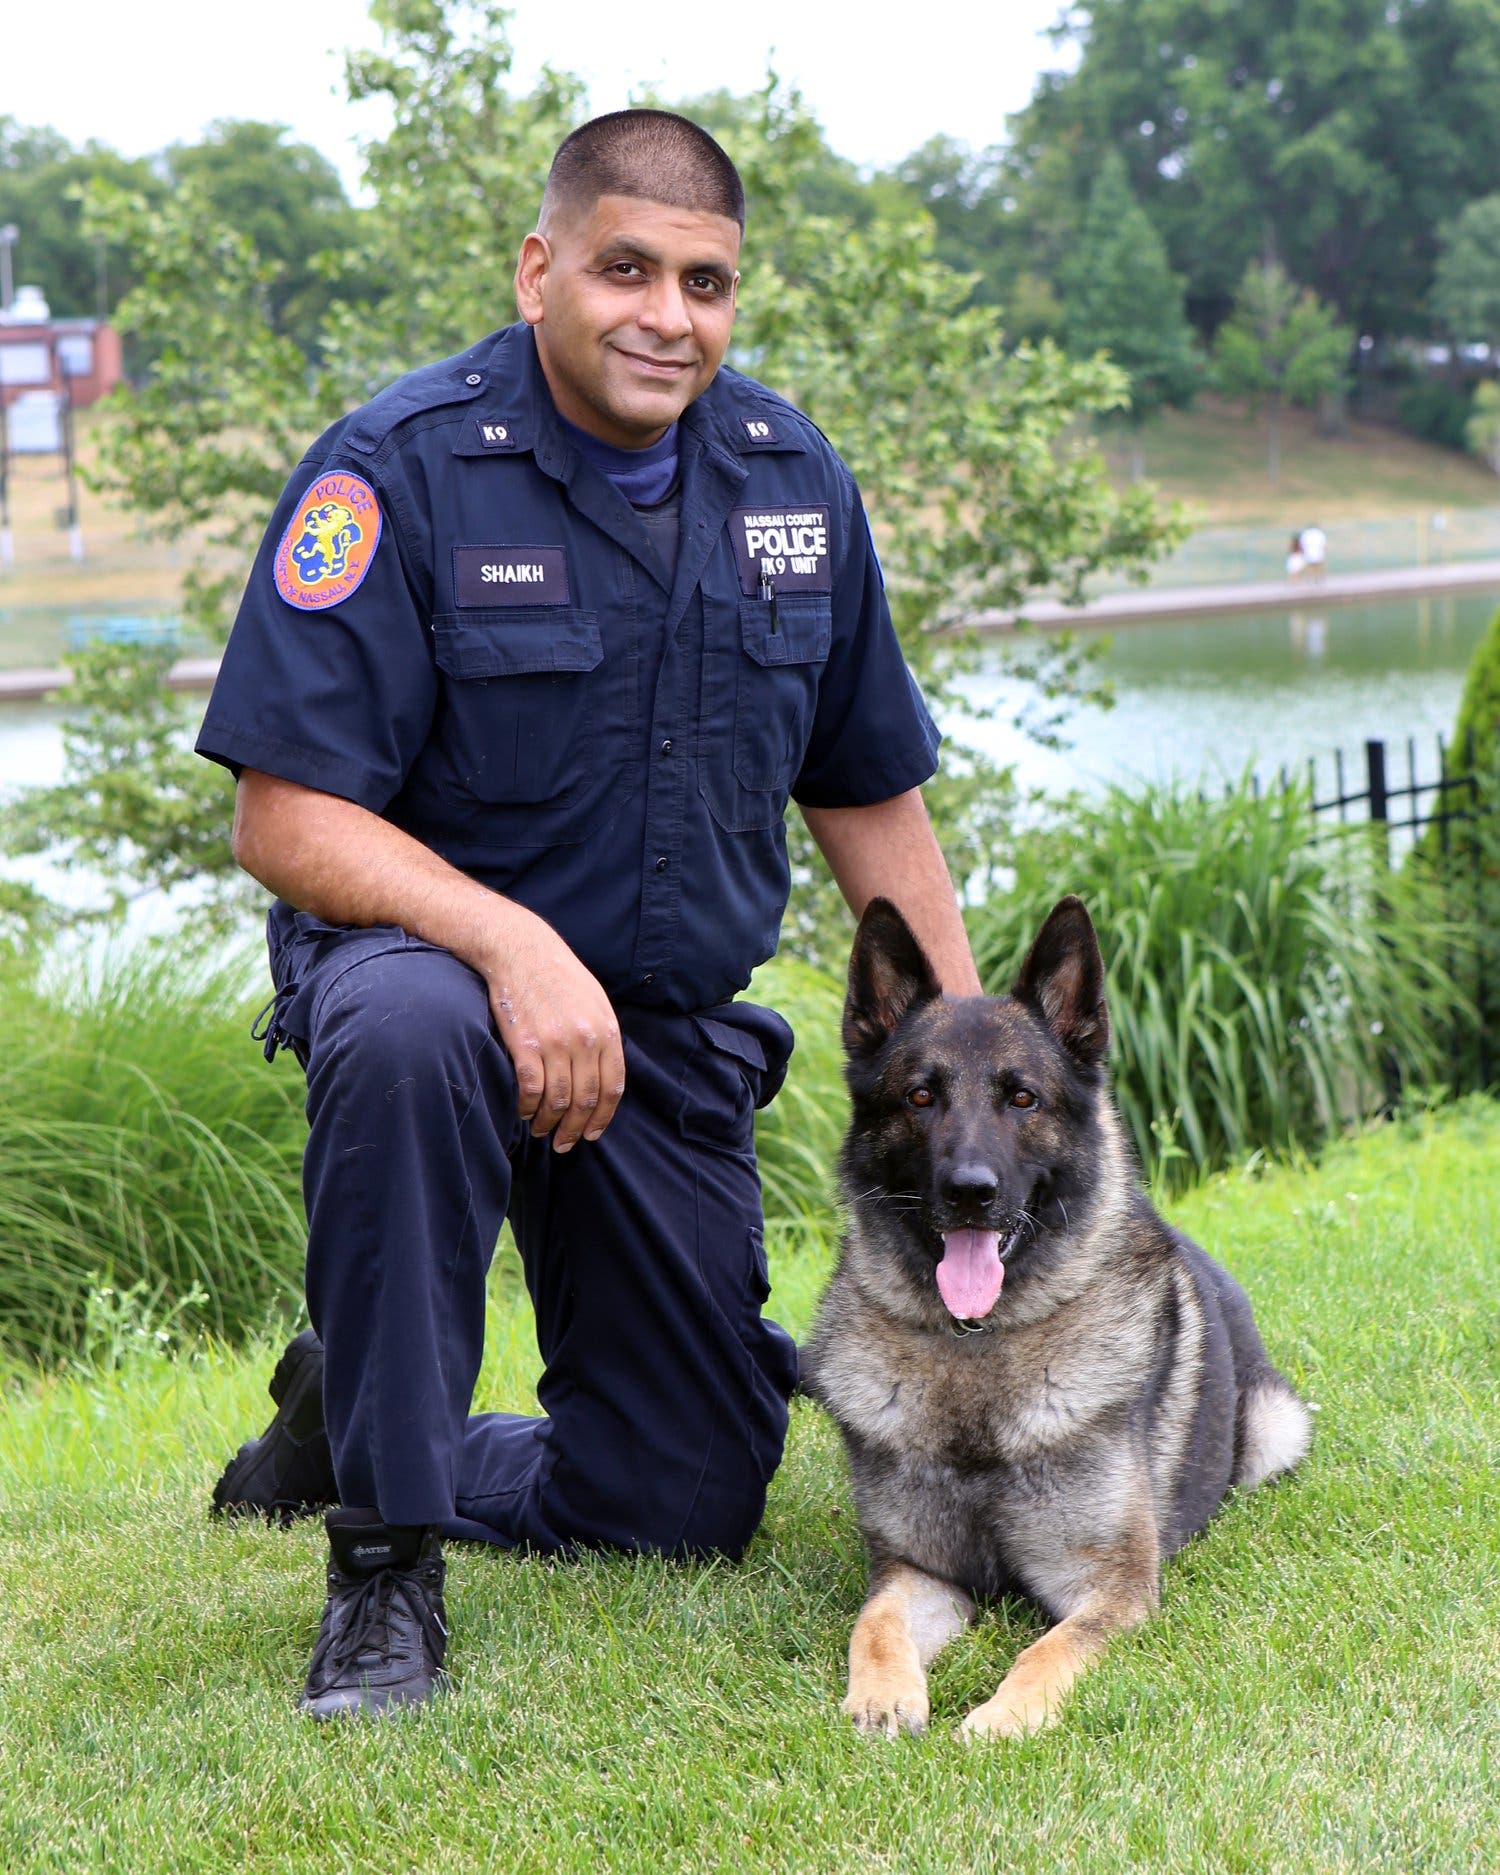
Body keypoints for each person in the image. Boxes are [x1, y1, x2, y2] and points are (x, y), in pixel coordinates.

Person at [197, 109, 980, 1721]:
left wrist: (979, 1070)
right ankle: (383, 1572)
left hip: (655, 1039)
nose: (667, 317)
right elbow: (282, 814)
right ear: (538, 269)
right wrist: (509, 943)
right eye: (626, 270)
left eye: (706, 282)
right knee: (411, 1027)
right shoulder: (399, 471)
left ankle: (349, 1420)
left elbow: (868, 796)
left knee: (682, 1497)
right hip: (428, 989)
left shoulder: (790, 478)